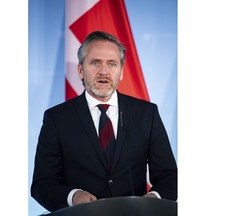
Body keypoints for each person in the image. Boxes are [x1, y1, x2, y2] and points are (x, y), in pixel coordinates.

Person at [31, 31, 177, 212]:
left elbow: (169, 176)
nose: (103, 71)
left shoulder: (146, 113)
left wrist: (152, 200)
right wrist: (73, 196)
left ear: (121, 72)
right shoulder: (57, 118)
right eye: (95, 63)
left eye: (112, 64)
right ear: (80, 70)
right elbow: (42, 183)